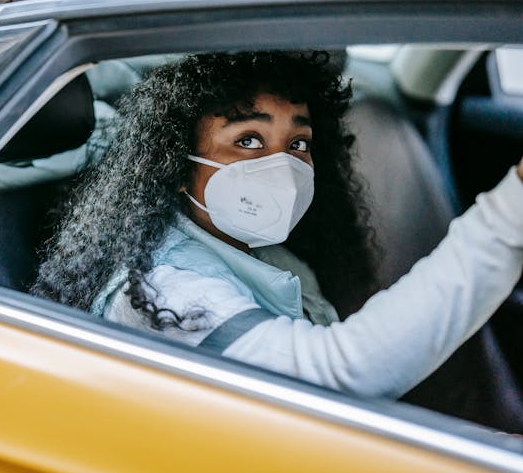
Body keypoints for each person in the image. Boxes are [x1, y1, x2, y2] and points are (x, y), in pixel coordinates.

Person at [32, 51, 523, 398]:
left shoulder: (274, 259)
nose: (281, 165)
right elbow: (338, 375)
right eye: (248, 140)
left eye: (298, 144)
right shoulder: (161, 295)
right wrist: (508, 213)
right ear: (176, 166)